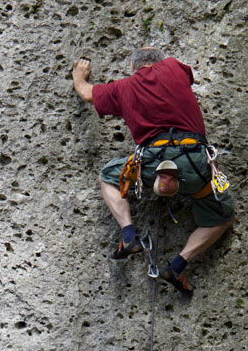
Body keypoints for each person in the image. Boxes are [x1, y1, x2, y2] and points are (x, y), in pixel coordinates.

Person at [72, 46, 234, 293]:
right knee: (221, 217)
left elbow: (86, 94)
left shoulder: (123, 87)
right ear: (160, 62)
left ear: (132, 68)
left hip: (151, 163)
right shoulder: (173, 67)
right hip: (194, 164)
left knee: (108, 176)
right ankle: (178, 265)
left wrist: (79, 76)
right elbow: (187, 78)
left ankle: (128, 234)